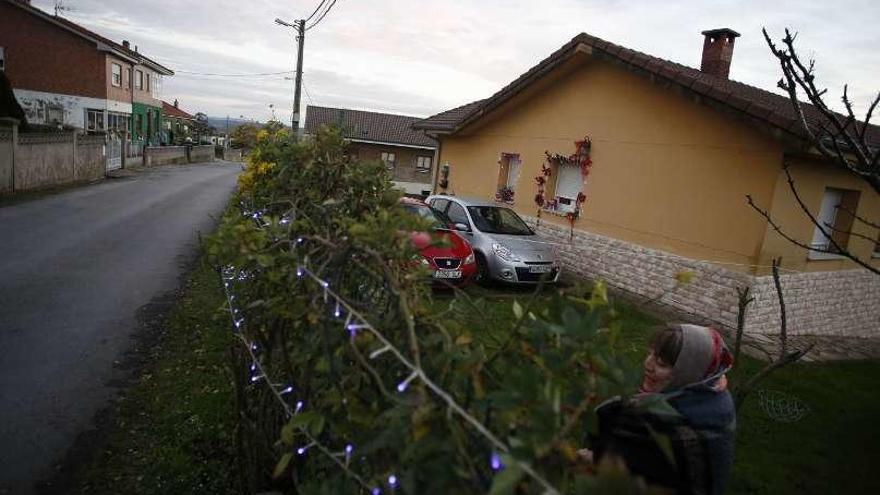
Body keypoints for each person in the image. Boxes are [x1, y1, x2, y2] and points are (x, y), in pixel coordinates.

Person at [584, 324, 735, 494]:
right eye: (650, 353)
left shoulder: (662, 423)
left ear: (688, 373)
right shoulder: (712, 393)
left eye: (661, 363)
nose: (648, 365)